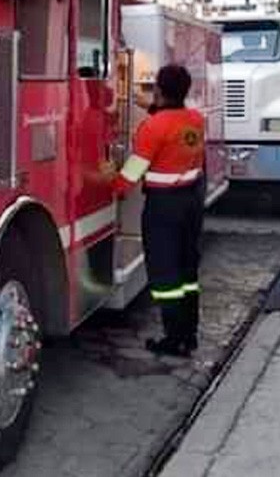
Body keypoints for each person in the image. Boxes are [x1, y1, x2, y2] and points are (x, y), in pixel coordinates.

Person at [112, 65, 205, 357]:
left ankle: (173, 338)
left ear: (161, 91)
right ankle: (189, 335)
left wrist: (110, 184)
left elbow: (133, 172)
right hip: (191, 203)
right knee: (187, 271)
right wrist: (152, 106)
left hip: (164, 209)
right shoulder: (195, 119)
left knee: (165, 276)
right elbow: (172, 128)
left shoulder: (152, 127)